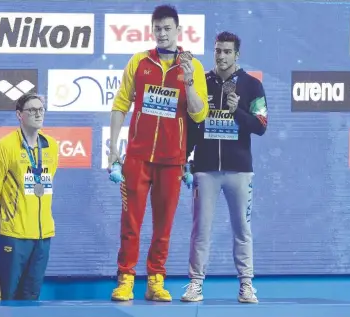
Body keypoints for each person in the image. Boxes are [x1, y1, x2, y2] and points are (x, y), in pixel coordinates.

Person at [107, 4, 209, 302]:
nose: (162, 34)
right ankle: (125, 278)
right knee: (131, 223)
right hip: (137, 158)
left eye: (168, 29)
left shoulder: (194, 67)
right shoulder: (139, 62)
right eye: (158, 29)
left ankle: (155, 280)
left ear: (179, 31)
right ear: (153, 30)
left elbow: (199, 114)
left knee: (163, 225)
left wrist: (188, 82)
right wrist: (114, 148)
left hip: (172, 160)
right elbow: (120, 105)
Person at [181, 31, 268, 303]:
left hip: (239, 170)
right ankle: (195, 283)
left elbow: (262, 126)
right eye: (218, 50)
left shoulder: (252, 85)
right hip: (205, 169)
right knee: (201, 229)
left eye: (227, 51)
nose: (221, 56)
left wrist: (237, 112)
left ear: (236, 54)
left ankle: (246, 285)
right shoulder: (202, 82)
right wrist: (186, 158)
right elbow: (192, 125)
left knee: (242, 229)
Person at [0, 92, 59, 301]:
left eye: (41, 110)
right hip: (14, 234)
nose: (37, 114)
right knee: (6, 295)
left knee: (31, 295)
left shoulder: (52, 146)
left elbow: (46, 183)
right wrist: (2, 221)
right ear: (19, 115)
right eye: (32, 110)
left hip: (43, 235)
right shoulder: (3, 148)